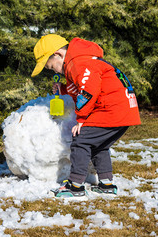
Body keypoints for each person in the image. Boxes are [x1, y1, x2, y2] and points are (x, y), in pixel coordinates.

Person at [31, 34, 141, 198]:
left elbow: (88, 92)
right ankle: (106, 184)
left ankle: (75, 186)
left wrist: (82, 119)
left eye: (50, 66)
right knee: (98, 145)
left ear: (58, 54)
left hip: (110, 109)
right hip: (122, 109)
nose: (53, 70)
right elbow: (83, 87)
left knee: (81, 140)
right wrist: (63, 89)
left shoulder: (79, 63)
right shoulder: (81, 61)